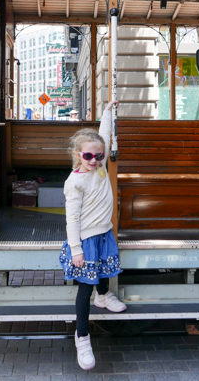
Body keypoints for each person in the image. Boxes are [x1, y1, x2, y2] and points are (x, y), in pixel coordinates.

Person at [59, 100, 125, 371]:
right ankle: (82, 337)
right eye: (88, 156)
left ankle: (104, 296)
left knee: (105, 271)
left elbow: (104, 136)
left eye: (99, 156)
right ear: (78, 155)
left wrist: (107, 112)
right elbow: (71, 218)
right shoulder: (75, 182)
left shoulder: (100, 168)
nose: (95, 160)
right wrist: (76, 248)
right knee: (84, 287)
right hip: (85, 240)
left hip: (103, 234)